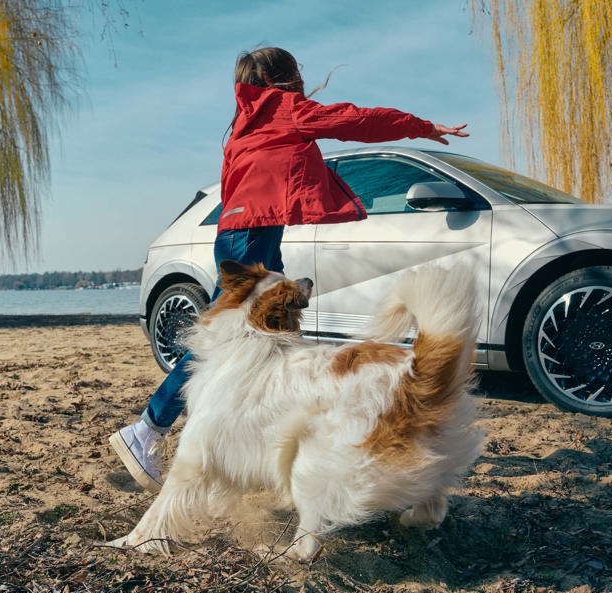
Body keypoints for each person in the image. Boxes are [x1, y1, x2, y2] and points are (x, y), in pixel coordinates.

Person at [109, 46, 469, 492]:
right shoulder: (282, 110)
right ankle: (148, 428)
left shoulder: (246, 121)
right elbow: (352, 119)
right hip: (252, 235)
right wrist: (421, 126)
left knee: (268, 338)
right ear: (285, 77)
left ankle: (256, 433)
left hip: (242, 232)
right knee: (231, 340)